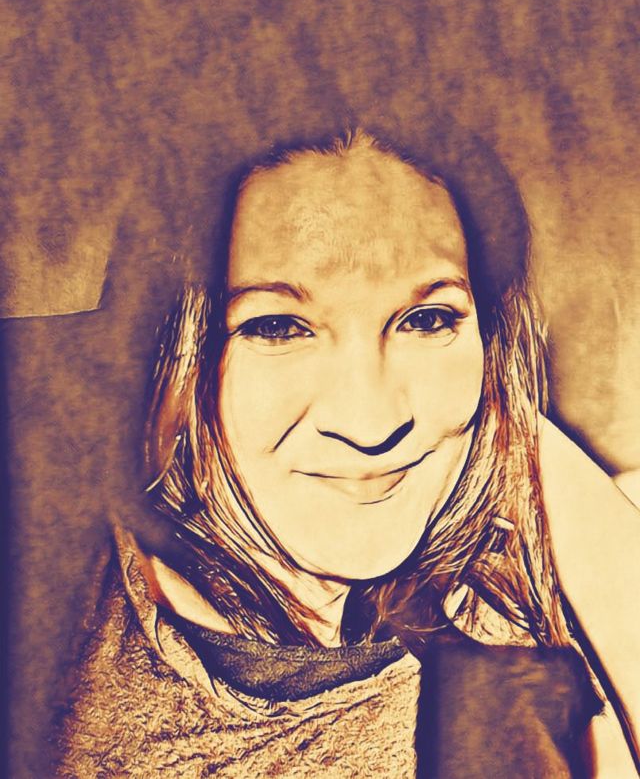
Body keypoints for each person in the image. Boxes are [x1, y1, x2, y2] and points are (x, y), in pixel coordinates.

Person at [55, 127, 640, 777]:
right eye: (278, 327)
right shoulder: (53, 589)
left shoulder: (528, 597)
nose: (371, 423)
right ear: (172, 353)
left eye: (428, 319)